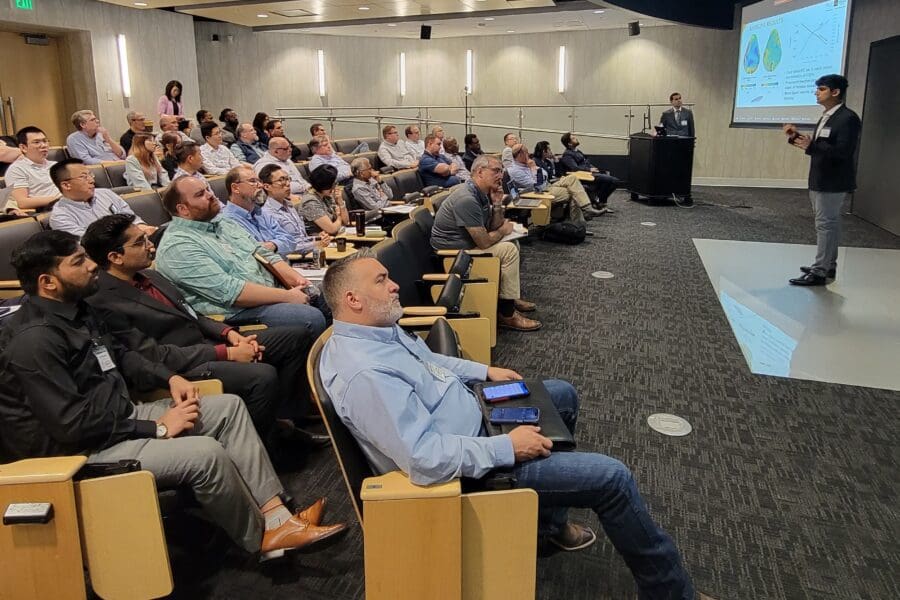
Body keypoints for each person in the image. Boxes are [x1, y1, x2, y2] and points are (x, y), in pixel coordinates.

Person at [319, 251, 696, 598]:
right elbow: (424, 458)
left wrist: (485, 371)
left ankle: (547, 530)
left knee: (561, 394)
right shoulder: (367, 373)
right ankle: (673, 593)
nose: (394, 284)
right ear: (353, 300)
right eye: (381, 280)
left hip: (475, 418)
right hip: (469, 467)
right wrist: (508, 448)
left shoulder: (379, 330)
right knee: (612, 479)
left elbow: (435, 365)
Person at [0, 230, 346, 559]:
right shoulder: (34, 340)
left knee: (228, 408)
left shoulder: (78, 309)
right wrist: (157, 429)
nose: (91, 265)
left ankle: (277, 517)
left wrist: (171, 377)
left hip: (117, 417)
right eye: (77, 262)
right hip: (80, 449)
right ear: (47, 282)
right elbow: (69, 425)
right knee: (205, 452)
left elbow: (124, 355)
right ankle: (260, 539)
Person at [81, 214, 328, 445]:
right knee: (261, 376)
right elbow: (152, 355)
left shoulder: (149, 275)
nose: (151, 245)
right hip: (179, 365)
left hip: (208, 343)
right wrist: (227, 353)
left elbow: (193, 314)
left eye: (146, 238)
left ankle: (286, 419)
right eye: (140, 242)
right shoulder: (103, 300)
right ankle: (270, 447)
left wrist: (229, 334)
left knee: (295, 336)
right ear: (115, 257)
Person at [154, 176, 328, 332]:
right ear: (183, 209)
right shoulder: (178, 245)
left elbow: (262, 253)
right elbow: (230, 291)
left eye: (208, 189)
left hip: (271, 291)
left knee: (331, 294)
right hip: (235, 313)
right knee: (309, 318)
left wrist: (296, 279)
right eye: (200, 194)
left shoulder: (222, 223)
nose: (210, 195)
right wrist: (288, 296)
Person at [431, 155, 541, 332]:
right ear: (480, 172)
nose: (501, 175)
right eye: (496, 171)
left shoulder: (481, 193)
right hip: (455, 254)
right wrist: (503, 231)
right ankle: (506, 314)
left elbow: (491, 226)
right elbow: (483, 242)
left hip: (467, 245)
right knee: (509, 250)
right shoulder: (466, 198)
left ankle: (508, 296)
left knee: (514, 243)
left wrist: (497, 205)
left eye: (502, 171)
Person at [784, 74, 861, 286]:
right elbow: (819, 146)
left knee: (826, 224)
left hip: (833, 181)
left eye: (821, 89)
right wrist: (795, 136)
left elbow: (843, 152)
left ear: (835, 92)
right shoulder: (827, 116)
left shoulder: (848, 118)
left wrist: (812, 146)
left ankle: (819, 271)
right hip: (820, 177)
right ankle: (828, 265)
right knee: (830, 224)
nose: (816, 93)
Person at [48, 158, 156, 238]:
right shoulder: (60, 216)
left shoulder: (105, 193)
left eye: (90, 175)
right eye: (84, 177)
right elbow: (90, 243)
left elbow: (130, 217)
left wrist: (141, 226)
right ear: (66, 185)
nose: (91, 180)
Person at [506, 143, 603, 222]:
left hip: (547, 185)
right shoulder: (514, 170)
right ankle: (580, 223)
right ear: (520, 155)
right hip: (539, 192)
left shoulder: (525, 164)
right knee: (575, 193)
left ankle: (586, 210)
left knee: (572, 178)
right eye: (526, 153)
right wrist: (533, 168)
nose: (528, 155)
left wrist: (535, 169)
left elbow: (544, 174)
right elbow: (536, 185)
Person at [221, 165, 295, 256]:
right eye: (252, 181)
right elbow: (252, 252)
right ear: (236, 188)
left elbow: (290, 241)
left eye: (259, 181)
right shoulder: (226, 220)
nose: (260, 185)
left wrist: (273, 245)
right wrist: (278, 243)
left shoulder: (261, 213)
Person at [259, 164, 330, 256]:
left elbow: (301, 238)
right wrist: (315, 244)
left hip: (309, 253)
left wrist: (317, 238)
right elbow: (280, 248)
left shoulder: (289, 206)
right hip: (294, 260)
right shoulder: (266, 214)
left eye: (287, 179)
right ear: (267, 186)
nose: (288, 184)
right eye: (281, 180)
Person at [3, 126, 61, 213]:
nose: (44, 145)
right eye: (37, 142)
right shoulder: (17, 169)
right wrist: (60, 199)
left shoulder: (55, 165)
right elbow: (22, 202)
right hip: (48, 210)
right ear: (23, 148)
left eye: (45, 141)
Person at [559, 132, 619, 211]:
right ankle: (598, 202)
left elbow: (586, 163)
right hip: (584, 176)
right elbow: (574, 168)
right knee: (614, 181)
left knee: (608, 179)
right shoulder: (567, 155)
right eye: (573, 138)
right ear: (569, 144)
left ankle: (599, 202)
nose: (576, 138)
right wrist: (589, 169)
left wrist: (593, 168)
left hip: (590, 173)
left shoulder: (578, 151)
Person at [299, 164, 350, 236]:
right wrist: (339, 216)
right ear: (324, 184)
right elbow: (332, 229)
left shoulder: (326, 196)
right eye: (333, 184)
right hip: (321, 242)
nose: (335, 187)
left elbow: (346, 221)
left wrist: (340, 202)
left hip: (336, 236)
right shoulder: (310, 202)